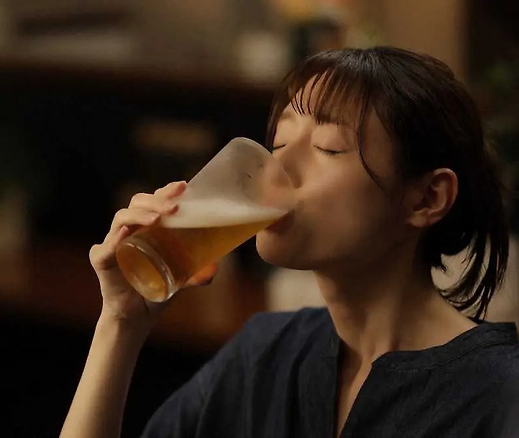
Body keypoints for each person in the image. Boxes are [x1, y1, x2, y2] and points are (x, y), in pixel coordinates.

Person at [59, 47, 519, 438]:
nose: (276, 170)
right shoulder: (264, 355)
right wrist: (120, 324)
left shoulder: (499, 398)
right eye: (279, 143)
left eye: (328, 147)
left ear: (427, 198)